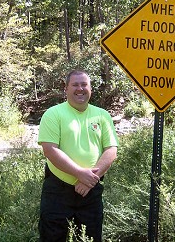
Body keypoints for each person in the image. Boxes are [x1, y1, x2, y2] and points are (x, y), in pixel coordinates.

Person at [38, 70, 119, 242]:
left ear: (90, 89)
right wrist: (79, 173)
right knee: (51, 237)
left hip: (91, 190)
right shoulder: (53, 114)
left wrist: (90, 179)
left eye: (84, 85)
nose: (80, 89)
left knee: (90, 238)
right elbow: (50, 150)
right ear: (66, 88)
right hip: (57, 190)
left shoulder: (102, 115)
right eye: (75, 85)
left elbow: (111, 150)